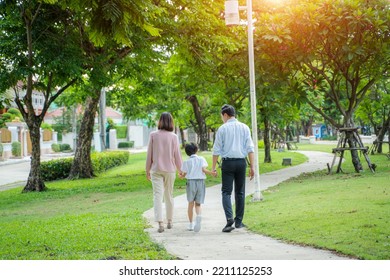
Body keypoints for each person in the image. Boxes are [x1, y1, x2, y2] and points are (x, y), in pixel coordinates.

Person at [211, 104, 255, 233]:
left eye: (221, 116)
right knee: (240, 192)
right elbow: (250, 149)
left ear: (225, 115)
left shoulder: (222, 129)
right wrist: (252, 166)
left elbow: (216, 150)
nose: (221, 119)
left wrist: (213, 167)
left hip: (228, 163)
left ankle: (229, 218)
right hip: (241, 163)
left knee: (226, 192)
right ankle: (239, 221)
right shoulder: (245, 127)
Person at [146, 112, 183, 233]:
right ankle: (170, 221)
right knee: (169, 195)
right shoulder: (174, 137)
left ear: (160, 121)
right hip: (170, 170)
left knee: (157, 195)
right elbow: (177, 155)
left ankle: (160, 223)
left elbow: (149, 155)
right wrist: (181, 170)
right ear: (171, 122)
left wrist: (147, 170)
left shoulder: (153, 135)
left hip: (156, 170)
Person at [180, 143, 214, 232]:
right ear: (196, 150)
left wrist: (181, 176)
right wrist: (212, 173)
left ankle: (191, 224)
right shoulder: (201, 159)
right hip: (201, 182)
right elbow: (204, 170)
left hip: (191, 182)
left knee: (190, 203)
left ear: (187, 152)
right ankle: (198, 216)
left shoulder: (186, 161)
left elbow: (184, 173)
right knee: (198, 204)